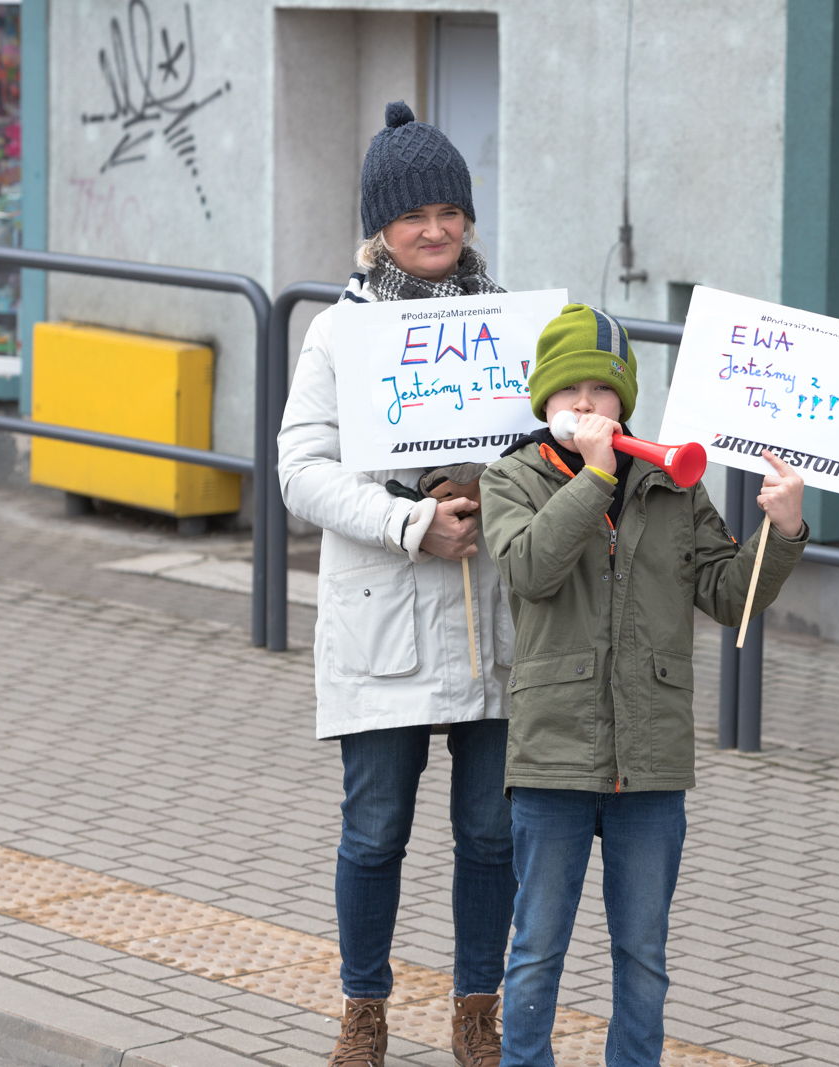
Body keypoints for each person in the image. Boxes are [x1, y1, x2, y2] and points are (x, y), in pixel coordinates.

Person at [479, 304, 810, 1067]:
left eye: (603, 389)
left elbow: (729, 593)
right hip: (554, 751)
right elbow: (529, 568)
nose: (588, 404)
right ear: (544, 399)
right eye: (571, 391)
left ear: (625, 398)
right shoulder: (510, 476)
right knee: (537, 947)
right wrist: (596, 478)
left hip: (652, 756)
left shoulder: (671, 482)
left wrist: (784, 531)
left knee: (644, 955)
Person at [276, 100, 514, 1067]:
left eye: (449, 211)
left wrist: (503, 492)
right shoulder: (340, 334)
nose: (434, 229)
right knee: (374, 832)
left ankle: (478, 1009)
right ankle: (363, 1007)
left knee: (493, 835)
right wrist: (410, 521)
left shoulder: (507, 323)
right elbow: (300, 471)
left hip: (495, 618)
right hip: (384, 623)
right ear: (379, 226)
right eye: (413, 214)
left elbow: (549, 443)